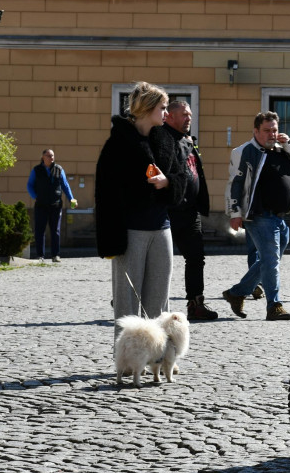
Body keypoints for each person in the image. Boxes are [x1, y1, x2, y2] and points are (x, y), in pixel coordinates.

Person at [96, 83, 187, 335]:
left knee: (159, 303)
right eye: (163, 107)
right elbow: (104, 193)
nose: (166, 113)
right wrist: (109, 240)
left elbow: (182, 177)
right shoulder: (117, 144)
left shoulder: (166, 140)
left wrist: (167, 182)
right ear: (147, 108)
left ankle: (156, 353)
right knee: (127, 304)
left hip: (161, 228)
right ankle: (125, 354)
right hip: (129, 232)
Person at [223, 111, 290, 321]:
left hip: (283, 215)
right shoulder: (244, 151)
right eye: (267, 130)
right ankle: (274, 305)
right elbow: (235, 183)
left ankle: (237, 293)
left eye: (274, 130)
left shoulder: (282, 149)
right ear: (256, 131)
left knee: (270, 261)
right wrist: (235, 212)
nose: (272, 134)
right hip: (259, 215)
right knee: (271, 261)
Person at [161, 100, 218, 321]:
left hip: (190, 210)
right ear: (170, 116)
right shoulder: (163, 138)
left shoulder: (187, 140)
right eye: (184, 115)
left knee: (196, 258)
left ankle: (195, 304)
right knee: (158, 260)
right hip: (169, 210)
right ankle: (134, 297)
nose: (189, 119)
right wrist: (187, 143)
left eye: (190, 115)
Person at [27, 148, 77, 263]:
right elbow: (29, 185)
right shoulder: (37, 170)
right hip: (41, 205)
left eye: (53, 156)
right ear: (43, 157)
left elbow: (65, 185)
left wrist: (71, 198)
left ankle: (55, 255)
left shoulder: (59, 169)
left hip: (56, 204)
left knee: (55, 230)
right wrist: (35, 196)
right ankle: (40, 256)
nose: (51, 158)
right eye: (49, 156)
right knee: (40, 230)